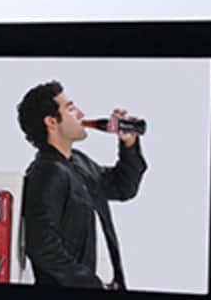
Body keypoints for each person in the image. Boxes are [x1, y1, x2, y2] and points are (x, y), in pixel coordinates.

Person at [17, 80, 146, 289]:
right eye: (71, 108)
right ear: (51, 121)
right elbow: (42, 246)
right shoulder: (46, 172)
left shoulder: (78, 162)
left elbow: (123, 187)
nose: (81, 113)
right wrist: (90, 284)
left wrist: (129, 144)